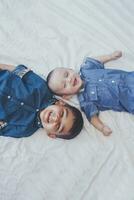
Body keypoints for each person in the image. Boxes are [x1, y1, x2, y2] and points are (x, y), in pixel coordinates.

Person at [47, 50, 133, 136]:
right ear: (67, 96)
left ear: (71, 69)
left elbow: (95, 61)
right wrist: (102, 128)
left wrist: (110, 56)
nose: (69, 80)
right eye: (65, 85)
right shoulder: (85, 100)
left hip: (129, 78)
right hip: (129, 100)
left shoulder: (86, 69)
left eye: (67, 74)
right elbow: (92, 117)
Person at [0, 64, 83, 139]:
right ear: (60, 103)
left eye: (58, 126)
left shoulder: (25, 130)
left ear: (51, 134)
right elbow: (18, 70)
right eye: (62, 113)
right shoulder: (42, 87)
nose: (57, 118)